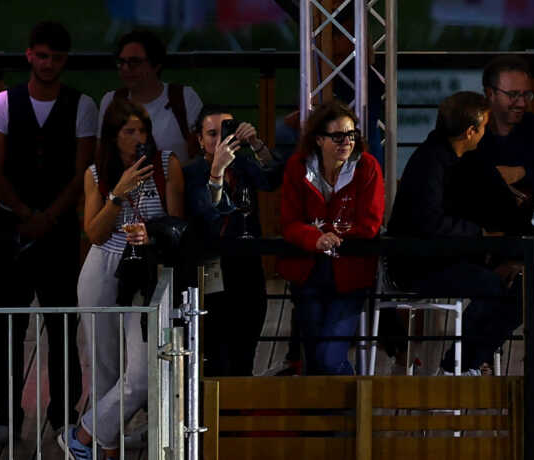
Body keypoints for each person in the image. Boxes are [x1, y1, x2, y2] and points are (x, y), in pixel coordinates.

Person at [0, 21, 97, 442]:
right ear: (30, 55)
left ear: (65, 60)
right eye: (42, 55)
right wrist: (24, 211)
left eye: (57, 57)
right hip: (11, 225)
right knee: (7, 324)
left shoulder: (82, 105)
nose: (49, 64)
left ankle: (62, 413)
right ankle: (5, 417)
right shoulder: (3, 103)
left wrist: (50, 215)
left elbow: (83, 168)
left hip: (60, 225)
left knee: (61, 323)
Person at [75, 97, 184, 460]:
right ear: (113, 136)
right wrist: (118, 195)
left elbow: (176, 224)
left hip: (146, 268)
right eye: (130, 131)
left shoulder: (166, 165)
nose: (139, 137)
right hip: (105, 264)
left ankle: (84, 432)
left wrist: (151, 235)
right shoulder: (96, 173)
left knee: (140, 371)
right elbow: (95, 233)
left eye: (144, 130)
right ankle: (105, 449)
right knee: (103, 363)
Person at [452, 58, 534, 357]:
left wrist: (521, 173)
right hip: (478, 233)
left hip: (531, 230)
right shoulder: (470, 132)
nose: (521, 102)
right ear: (489, 93)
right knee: (505, 280)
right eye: (513, 95)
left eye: (526, 95)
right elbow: (455, 184)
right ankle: (473, 357)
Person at [385, 92, 509, 370]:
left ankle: (467, 362)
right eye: (484, 127)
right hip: (418, 265)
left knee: (515, 284)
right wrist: (480, 235)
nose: (485, 133)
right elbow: (430, 223)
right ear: (470, 132)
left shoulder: (445, 157)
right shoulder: (431, 163)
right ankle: (458, 366)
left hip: (440, 257)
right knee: (494, 288)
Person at [277, 101, 385, 376]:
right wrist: (315, 238)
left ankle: (353, 415)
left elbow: (369, 224)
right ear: (319, 139)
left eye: (351, 135)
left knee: (329, 355)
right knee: (314, 361)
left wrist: (330, 235)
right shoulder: (297, 167)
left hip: (351, 274)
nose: (346, 142)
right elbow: (289, 223)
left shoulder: (368, 167)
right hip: (307, 271)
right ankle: (333, 416)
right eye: (338, 136)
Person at [186, 110, 275, 378]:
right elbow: (208, 213)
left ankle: (239, 417)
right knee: (215, 352)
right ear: (200, 140)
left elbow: (274, 178)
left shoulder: (245, 165)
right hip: (210, 267)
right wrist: (217, 171)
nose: (219, 140)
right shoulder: (191, 172)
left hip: (246, 264)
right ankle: (212, 417)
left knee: (245, 351)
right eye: (212, 134)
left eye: (225, 132)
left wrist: (257, 144)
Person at [101, 29, 206, 161]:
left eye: (134, 62)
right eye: (121, 62)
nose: (126, 68)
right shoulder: (112, 100)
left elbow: (200, 154)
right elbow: (102, 156)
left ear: (155, 65)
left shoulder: (184, 97)